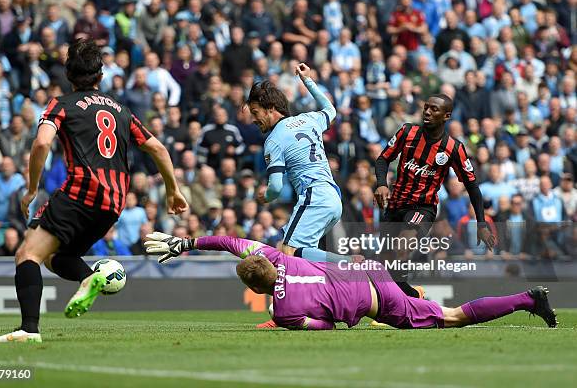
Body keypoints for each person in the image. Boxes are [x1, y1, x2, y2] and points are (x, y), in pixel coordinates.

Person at [0, 39, 188, 344]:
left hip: (81, 193)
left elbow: (41, 143)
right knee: (55, 255)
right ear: (101, 75)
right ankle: (89, 277)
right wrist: (173, 190)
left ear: (68, 76)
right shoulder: (121, 111)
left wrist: (31, 189)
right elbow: (157, 148)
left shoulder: (61, 104)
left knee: (27, 253)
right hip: (112, 205)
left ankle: (29, 329)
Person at [144, 233, 558, 330]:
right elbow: (229, 241)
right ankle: (411, 292)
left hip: (378, 303)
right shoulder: (271, 255)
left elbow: (324, 326)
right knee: (317, 256)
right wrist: (186, 242)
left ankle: (527, 299)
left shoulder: (285, 313)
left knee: (451, 317)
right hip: (369, 270)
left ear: (256, 289)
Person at [374, 94, 496, 298]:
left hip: (423, 208)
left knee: (402, 245)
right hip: (395, 205)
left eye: (434, 109)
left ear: (446, 116)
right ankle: (412, 296)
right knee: (386, 260)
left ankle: (404, 301)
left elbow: (472, 187)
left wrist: (481, 224)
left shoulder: (453, 148)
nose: (428, 112)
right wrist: (381, 184)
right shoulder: (407, 132)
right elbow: (382, 159)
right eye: (426, 107)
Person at [247, 63, 341, 257]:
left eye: (255, 113)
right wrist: (307, 80)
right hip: (333, 198)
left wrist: (267, 196)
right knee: (307, 257)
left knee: (289, 251)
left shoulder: (274, 139)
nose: (254, 120)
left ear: (270, 109)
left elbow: (275, 187)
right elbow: (330, 109)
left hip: (313, 196)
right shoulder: (309, 119)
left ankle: (351, 264)